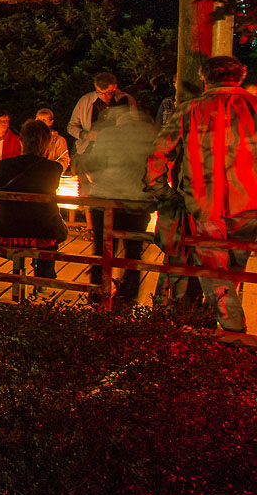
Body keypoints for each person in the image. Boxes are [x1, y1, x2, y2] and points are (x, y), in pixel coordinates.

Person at [146, 56, 257, 333]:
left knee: (216, 273)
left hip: (203, 202)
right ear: (240, 78)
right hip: (250, 202)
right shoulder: (255, 107)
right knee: (234, 270)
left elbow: (159, 152)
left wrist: (163, 190)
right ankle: (227, 331)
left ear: (205, 78)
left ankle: (231, 329)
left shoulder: (189, 110)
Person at [79, 106, 157, 306]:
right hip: (136, 200)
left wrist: (96, 179)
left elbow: (93, 163)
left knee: (102, 251)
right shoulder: (149, 134)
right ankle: (128, 298)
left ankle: (98, 295)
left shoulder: (108, 134)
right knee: (133, 253)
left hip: (106, 198)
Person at [0, 119, 67, 293]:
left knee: (43, 225)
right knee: (55, 229)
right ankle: (45, 275)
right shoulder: (54, 168)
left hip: (6, 229)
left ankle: (27, 268)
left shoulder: (5, 165)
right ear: (46, 143)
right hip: (41, 231)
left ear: (21, 141)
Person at [67, 72, 137, 158]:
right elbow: (71, 126)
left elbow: (134, 126)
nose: (105, 97)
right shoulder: (86, 101)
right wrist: (85, 135)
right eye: (100, 92)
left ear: (115, 87)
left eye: (108, 92)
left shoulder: (126, 100)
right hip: (89, 150)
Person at [35, 108, 71, 173]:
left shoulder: (59, 140)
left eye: (44, 120)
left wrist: (51, 171)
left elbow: (64, 161)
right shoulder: (31, 139)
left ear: (51, 122)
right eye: (38, 119)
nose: (40, 122)